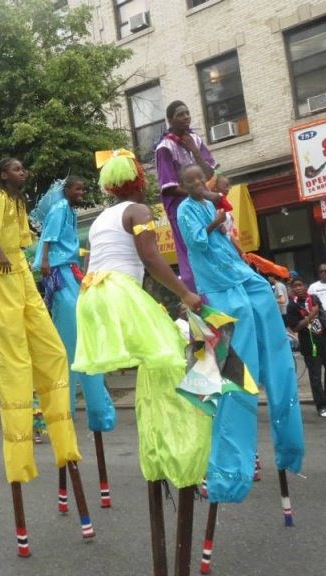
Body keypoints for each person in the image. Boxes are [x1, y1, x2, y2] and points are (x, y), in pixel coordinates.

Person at [71, 150, 208, 575]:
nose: (147, 180)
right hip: (118, 295)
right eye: (142, 175)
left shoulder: (99, 219)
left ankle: (161, 452)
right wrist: (185, 293)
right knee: (169, 353)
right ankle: (175, 452)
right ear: (134, 181)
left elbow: (96, 261)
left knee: (161, 355)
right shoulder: (139, 209)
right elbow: (150, 257)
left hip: (93, 300)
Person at [177, 163, 304, 502]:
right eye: (188, 181)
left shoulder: (208, 203)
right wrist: (215, 222)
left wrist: (226, 229)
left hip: (236, 274)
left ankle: (287, 446)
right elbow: (198, 244)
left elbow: (226, 239)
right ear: (182, 186)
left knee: (263, 295)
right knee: (231, 381)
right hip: (217, 287)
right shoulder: (186, 209)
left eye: (198, 179)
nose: (196, 184)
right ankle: (224, 471)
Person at [0, 157, 90, 553]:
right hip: (2, 272)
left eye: (24, 168)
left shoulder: (20, 202)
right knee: (15, 357)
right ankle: (23, 439)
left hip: (23, 273)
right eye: (15, 169)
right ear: (2, 173)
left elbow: (28, 236)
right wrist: (5, 255)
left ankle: (59, 429)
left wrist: (29, 258)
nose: (23, 172)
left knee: (54, 350)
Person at [31, 175, 115, 434]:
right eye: (77, 188)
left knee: (79, 338)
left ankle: (84, 406)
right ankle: (64, 408)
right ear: (66, 190)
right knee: (72, 339)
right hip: (59, 272)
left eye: (83, 188)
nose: (81, 192)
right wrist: (44, 262)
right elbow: (48, 237)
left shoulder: (67, 209)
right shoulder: (59, 209)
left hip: (69, 270)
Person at [155, 100, 218, 291]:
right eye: (180, 114)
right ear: (170, 119)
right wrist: (203, 193)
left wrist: (194, 151)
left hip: (202, 201)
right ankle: (198, 293)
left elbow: (209, 174)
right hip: (180, 206)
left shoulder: (195, 140)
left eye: (187, 113)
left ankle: (218, 286)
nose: (186, 117)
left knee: (214, 241)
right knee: (191, 249)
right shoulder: (164, 147)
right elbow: (169, 187)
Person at [287, 277, 326, 418]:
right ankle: (322, 406)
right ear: (292, 289)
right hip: (309, 345)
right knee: (315, 377)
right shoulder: (292, 306)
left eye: (301, 285)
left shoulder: (314, 298)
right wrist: (310, 316)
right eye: (295, 286)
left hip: (325, 341)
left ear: (305, 286)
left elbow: (323, 316)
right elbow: (295, 327)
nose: (298, 288)